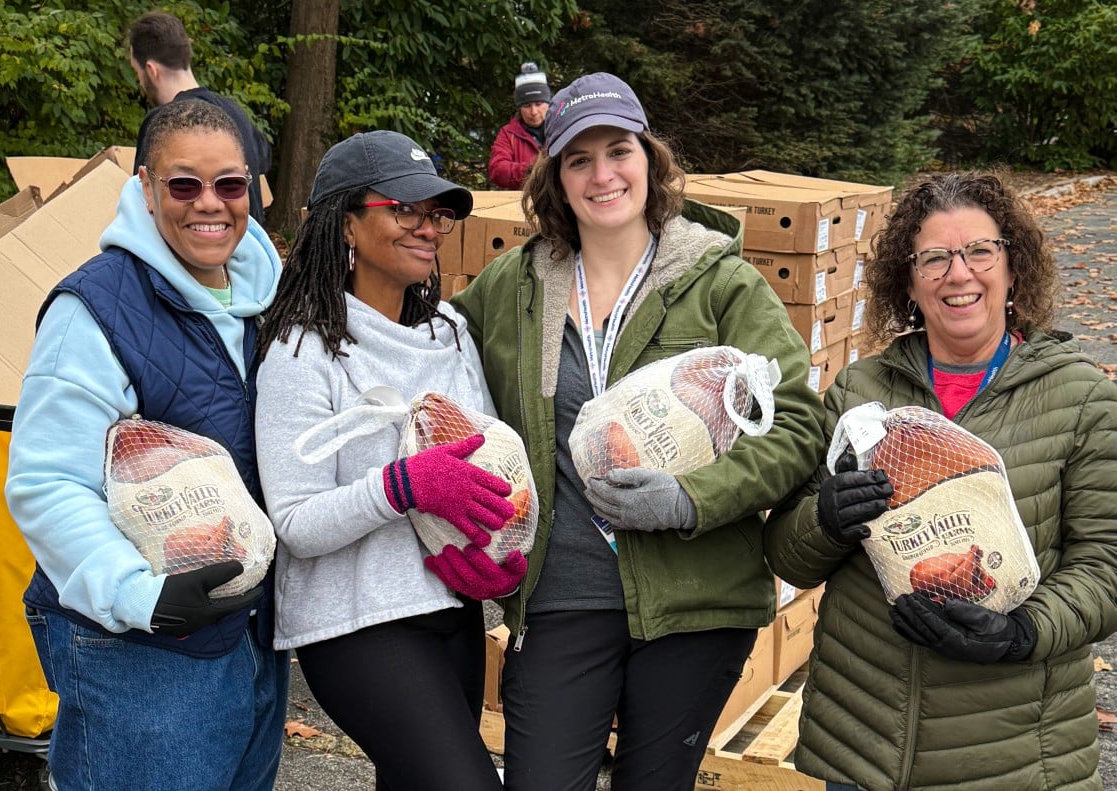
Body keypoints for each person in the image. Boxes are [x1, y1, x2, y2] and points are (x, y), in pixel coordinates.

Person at [450, 72, 825, 791]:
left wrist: (692, 498)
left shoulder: (721, 284)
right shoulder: (514, 286)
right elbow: (425, 347)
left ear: (650, 159)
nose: (602, 175)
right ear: (555, 179)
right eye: (577, 159)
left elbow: (799, 422)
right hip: (562, 597)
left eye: (618, 150)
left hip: (695, 595)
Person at [764, 171, 1117, 790]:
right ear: (908, 282)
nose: (959, 274)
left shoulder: (1082, 399)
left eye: (980, 250)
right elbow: (788, 558)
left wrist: (1022, 633)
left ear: (1013, 268)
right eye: (934, 258)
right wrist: (826, 519)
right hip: (866, 742)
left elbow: (1106, 564)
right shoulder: (859, 395)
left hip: (1013, 756)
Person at [5, 100, 288, 790]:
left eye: (229, 184)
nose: (209, 204)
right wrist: (140, 594)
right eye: (183, 185)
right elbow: (46, 483)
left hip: (248, 635)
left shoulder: (268, 301)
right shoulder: (95, 309)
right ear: (144, 189)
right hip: (139, 648)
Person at [253, 129, 526, 791]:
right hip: (357, 626)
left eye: (435, 213)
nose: (427, 227)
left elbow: (487, 464)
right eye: (403, 209)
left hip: (452, 610)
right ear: (346, 222)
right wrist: (402, 485)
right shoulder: (301, 349)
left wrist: (497, 560)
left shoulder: (450, 333)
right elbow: (294, 521)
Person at [127, 10, 271, 226]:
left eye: (136, 71)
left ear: (150, 69)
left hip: (194, 252)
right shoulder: (236, 113)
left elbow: (143, 212)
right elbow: (264, 158)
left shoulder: (162, 124)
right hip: (245, 250)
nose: (139, 81)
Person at [488, 61, 550, 190]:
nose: (533, 112)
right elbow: (497, 170)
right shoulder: (508, 134)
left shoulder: (561, 129)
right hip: (521, 203)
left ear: (548, 104)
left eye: (538, 104)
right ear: (519, 108)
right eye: (527, 106)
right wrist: (534, 167)